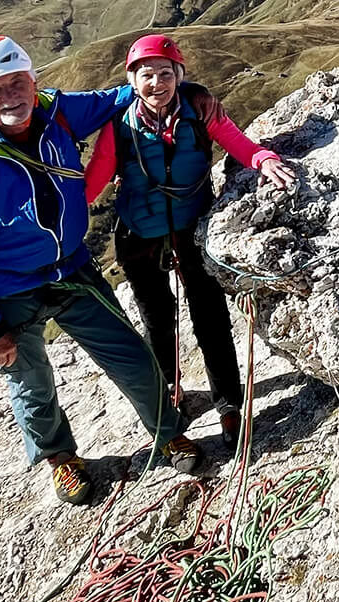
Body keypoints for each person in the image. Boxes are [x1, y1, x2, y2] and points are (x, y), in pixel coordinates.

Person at [0, 34, 205, 505]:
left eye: (17, 82)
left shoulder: (57, 111)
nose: (11, 96)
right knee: (30, 382)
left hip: (72, 270)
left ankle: (168, 432)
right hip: (6, 289)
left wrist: (183, 92)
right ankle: (60, 459)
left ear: (34, 81)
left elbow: (123, 95)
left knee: (131, 356)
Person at [84, 33, 296, 442]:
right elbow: (96, 177)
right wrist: (64, 225)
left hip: (190, 227)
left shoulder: (199, 109)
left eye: (166, 73)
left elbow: (235, 141)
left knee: (210, 316)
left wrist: (262, 158)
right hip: (138, 234)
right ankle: (169, 390)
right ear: (132, 80)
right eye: (147, 75)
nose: (157, 83)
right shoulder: (118, 125)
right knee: (157, 319)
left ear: (179, 76)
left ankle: (229, 405)